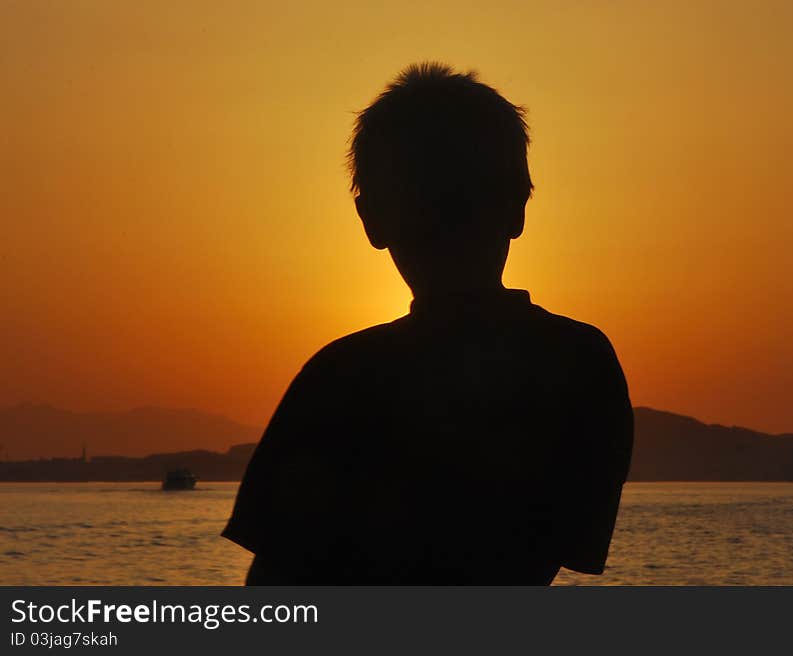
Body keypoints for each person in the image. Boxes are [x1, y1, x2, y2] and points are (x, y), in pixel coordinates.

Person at [222, 62, 633, 584]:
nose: (445, 217)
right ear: (517, 208)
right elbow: (558, 548)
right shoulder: (579, 363)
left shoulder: (341, 378)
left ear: (371, 218)